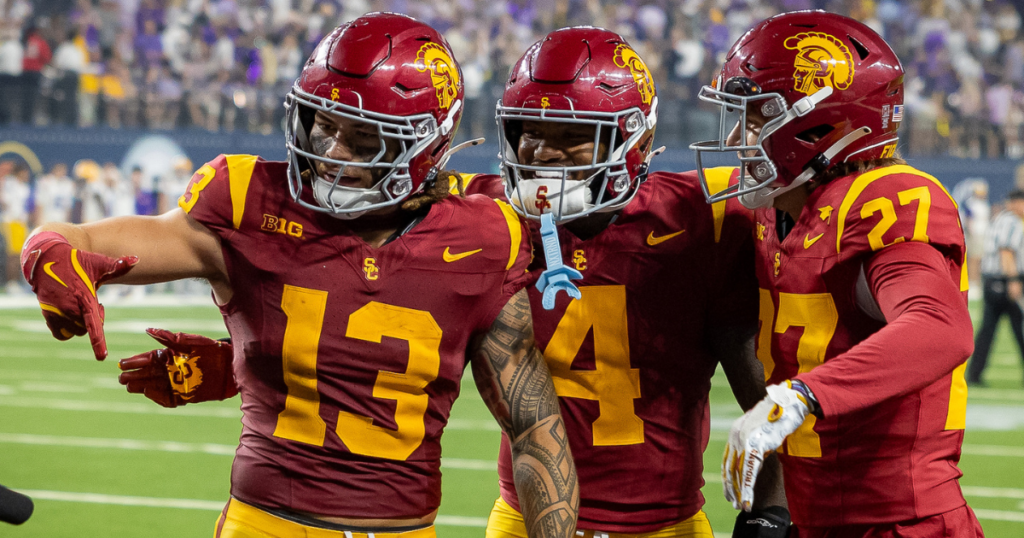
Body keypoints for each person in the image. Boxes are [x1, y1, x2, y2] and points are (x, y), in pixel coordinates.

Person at [22, 13, 578, 538]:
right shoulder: (249, 202)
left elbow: (533, 428)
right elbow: (81, 240)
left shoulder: (485, 236)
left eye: (364, 138)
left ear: (426, 145)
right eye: (323, 124)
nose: (332, 153)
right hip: (264, 523)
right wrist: (50, 254)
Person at [484, 28, 785, 538]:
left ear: (633, 141)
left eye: (571, 136)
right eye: (529, 131)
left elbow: (752, 371)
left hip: (664, 524)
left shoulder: (702, 221)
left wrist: (773, 506)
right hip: (525, 518)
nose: (542, 154)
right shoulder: (490, 218)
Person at [695, 11, 983, 537]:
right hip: (813, 516)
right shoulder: (773, 203)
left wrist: (800, 396)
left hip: (900, 522)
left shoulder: (888, 198)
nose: (737, 136)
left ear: (819, 124)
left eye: (756, 118)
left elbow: (938, 326)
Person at [967, 190, 1024, 386]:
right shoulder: (1011, 221)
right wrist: (1014, 280)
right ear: (1017, 203)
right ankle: (974, 373)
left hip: (993, 281)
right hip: (1004, 281)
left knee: (988, 330)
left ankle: (974, 373)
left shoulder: (1001, 218)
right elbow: (1006, 251)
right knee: (1019, 328)